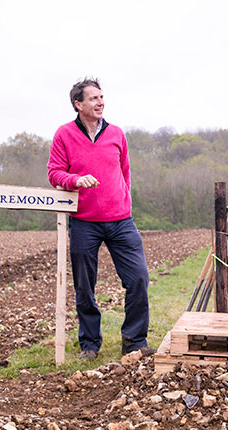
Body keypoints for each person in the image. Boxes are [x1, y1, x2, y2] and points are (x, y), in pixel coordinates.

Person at [47, 78, 154, 358]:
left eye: (102, 97)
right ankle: (90, 344)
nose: (100, 102)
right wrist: (76, 180)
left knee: (139, 278)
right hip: (84, 222)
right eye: (93, 98)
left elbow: (125, 171)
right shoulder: (64, 135)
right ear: (78, 104)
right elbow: (54, 173)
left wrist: (124, 200)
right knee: (85, 285)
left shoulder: (117, 133)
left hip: (121, 221)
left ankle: (135, 341)